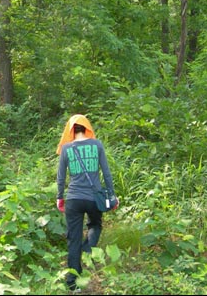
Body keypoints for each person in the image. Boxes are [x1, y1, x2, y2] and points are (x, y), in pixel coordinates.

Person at [56, 114, 118, 292]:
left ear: (71, 130)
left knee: (73, 239)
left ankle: (72, 283)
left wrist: (60, 198)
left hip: (73, 199)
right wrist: (112, 196)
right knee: (95, 226)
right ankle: (87, 250)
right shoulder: (97, 145)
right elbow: (106, 173)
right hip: (93, 198)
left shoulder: (66, 148)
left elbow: (61, 178)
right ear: (87, 128)